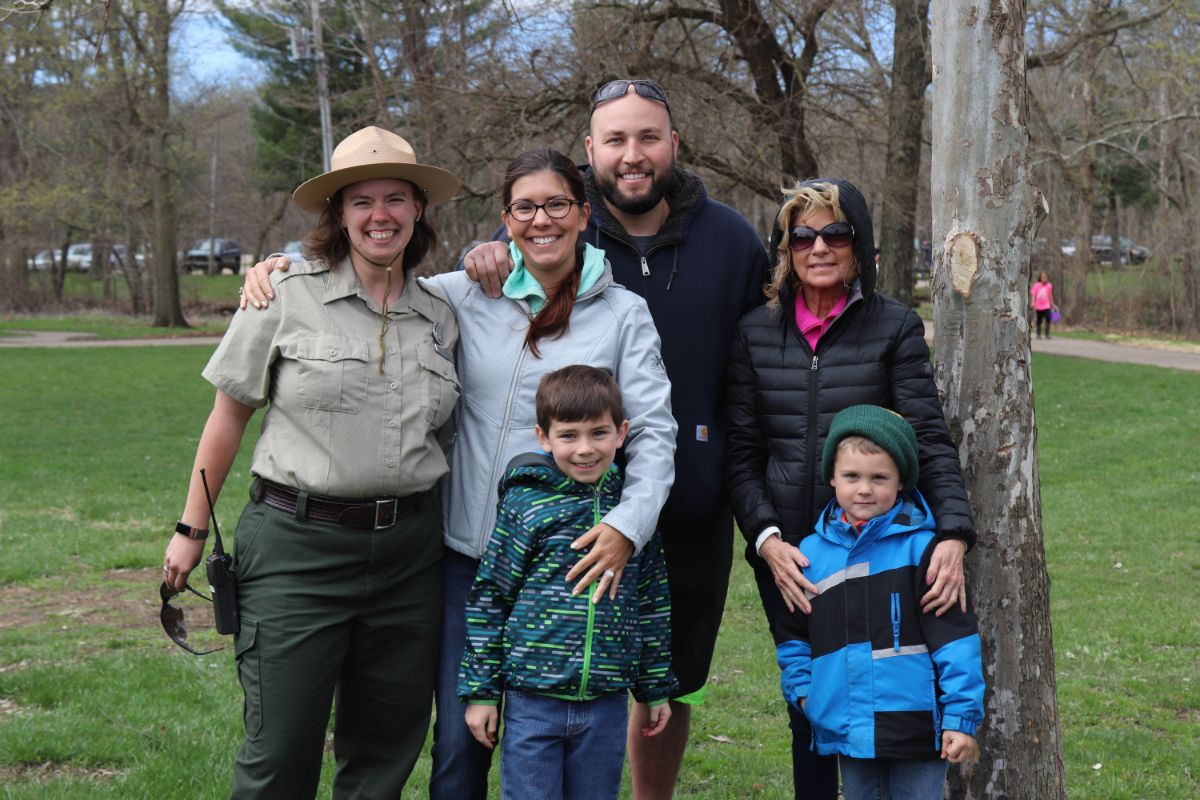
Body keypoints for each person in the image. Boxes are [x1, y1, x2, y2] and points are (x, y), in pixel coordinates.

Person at [235, 145, 679, 797]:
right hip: (465, 560)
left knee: (572, 741)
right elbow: (374, 277)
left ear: (585, 215)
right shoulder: (464, 295)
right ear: (506, 219)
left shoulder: (623, 314)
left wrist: (627, 526)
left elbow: (657, 433)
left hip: (570, 563)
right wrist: (284, 267)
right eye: (524, 207)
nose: (542, 219)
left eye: (557, 204)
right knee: (458, 743)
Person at [455, 79, 771, 800]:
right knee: (557, 675)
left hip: (686, 508)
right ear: (591, 152)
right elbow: (499, 267)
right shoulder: (565, 230)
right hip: (561, 514)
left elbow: (762, 360)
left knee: (670, 683)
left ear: (674, 146)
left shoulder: (730, 240)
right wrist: (486, 252)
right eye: (616, 141)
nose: (633, 155)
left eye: (648, 137)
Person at [161, 126, 462, 798]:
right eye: (361, 201)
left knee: (385, 754)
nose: (379, 215)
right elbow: (228, 415)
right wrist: (190, 529)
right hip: (298, 551)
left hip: (410, 558)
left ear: (418, 210)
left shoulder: (443, 314)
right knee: (279, 755)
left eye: (395, 199)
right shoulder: (282, 296)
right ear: (338, 215)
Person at [725, 178, 976, 800]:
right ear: (786, 247)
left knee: (897, 691)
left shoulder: (892, 327)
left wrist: (952, 533)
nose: (818, 247)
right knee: (811, 703)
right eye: (801, 235)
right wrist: (767, 540)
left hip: (884, 551)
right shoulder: (755, 332)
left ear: (857, 244)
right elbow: (741, 455)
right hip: (794, 558)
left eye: (833, 233)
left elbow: (928, 437)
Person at [459, 365, 677, 800]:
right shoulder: (526, 504)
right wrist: (482, 692)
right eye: (569, 435)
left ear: (622, 433)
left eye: (599, 433)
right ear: (543, 437)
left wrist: (654, 688)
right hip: (533, 704)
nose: (584, 450)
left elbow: (652, 604)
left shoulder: (633, 512)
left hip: (607, 705)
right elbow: (490, 598)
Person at [775, 405, 984, 800]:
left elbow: (956, 639)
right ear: (832, 477)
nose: (864, 489)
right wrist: (806, 694)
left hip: (919, 730)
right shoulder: (810, 556)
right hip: (847, 728)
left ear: (901, 481)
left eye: (879, 478)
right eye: (852, 476)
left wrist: (961, 717)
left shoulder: (923, 550)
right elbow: (793, 635)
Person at [1031, 271, 1055, 339]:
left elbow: (1050, 295)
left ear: (1047, 278)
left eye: (1045, 277)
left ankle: (1047, 334)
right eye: (1043, 277)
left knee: (1048, 319)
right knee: (1039, 320)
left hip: (1046, 305)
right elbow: (1033, 294)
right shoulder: (1036, 285)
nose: (1044, 278)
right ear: (1040, 277)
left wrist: (1052, 304)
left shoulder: (1049, 285)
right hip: (1038, 306)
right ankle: (1038, 334)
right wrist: (1033, 302)